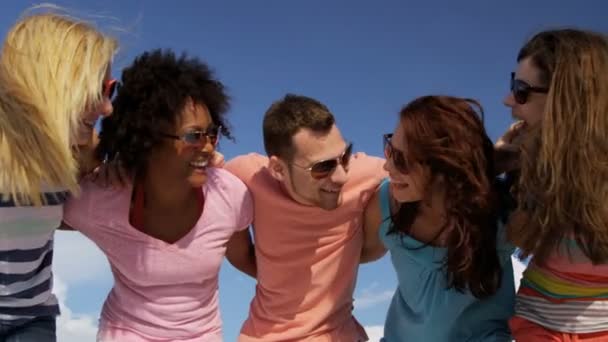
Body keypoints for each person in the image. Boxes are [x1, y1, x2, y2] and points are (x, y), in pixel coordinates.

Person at [61, 49, 253, 342]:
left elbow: (247, 259)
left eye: (211, 134)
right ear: (148, 140)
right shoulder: (99, 200)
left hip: (201, 335)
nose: (208, 147)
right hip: (125, 332)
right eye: (193, 137)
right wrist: (93, 161)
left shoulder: (229, 197)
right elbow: (40, 215)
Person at [225, 94, 386, 341]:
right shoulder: (244, 177)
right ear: (278, 169)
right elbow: (238, 252)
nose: (342, 176)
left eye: (344, 157)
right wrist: (280, 278)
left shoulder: (369, 176)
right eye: (323, 167)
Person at [0, 10, 117, 341]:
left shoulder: (83, 151)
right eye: (98, 89)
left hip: (30, 318)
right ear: (52, 83)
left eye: (111, 89)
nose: (108, 107)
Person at [361, 95, 515, 341]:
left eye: (401, 159)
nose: (387, 166)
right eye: (390, 147)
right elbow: (347, 258)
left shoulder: (502, 211)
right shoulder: (387, 205)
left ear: (444, 166)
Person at [499, 29, 608, 341]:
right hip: (536, 326)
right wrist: (491, 168)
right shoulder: (529, 164)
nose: (508, 100)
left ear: (568, 101)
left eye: (521, 90)